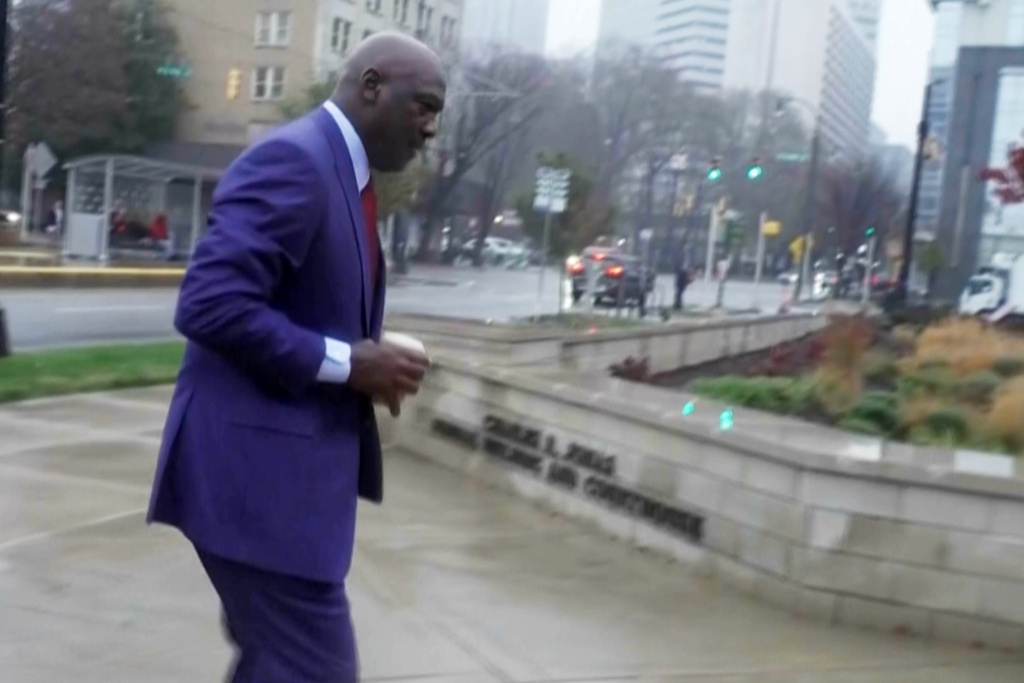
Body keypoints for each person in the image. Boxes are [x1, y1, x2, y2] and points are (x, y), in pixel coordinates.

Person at [146, 32, 446, 683]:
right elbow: (210, 303)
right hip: (258, 490)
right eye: (422, 104)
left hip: (280, 495)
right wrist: (349, 362)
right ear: (371, 86)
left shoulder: (340, 173)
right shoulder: (297, 160)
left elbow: (298, 306)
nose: (429, 128)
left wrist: (363, 354)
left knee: (275, 665)